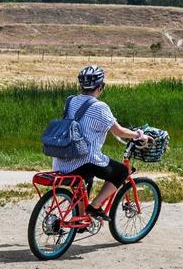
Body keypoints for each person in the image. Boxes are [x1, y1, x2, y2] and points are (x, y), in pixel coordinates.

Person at [53, 66, 148, 220]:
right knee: (122, 172)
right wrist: (138, 135)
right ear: (100, 87)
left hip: (62, 160)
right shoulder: (99, 107)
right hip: (85, 160)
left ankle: (81, 219)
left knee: (86, 180)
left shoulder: (70, 101)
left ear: (81, 86)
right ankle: (94, 207)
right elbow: (119, 132)